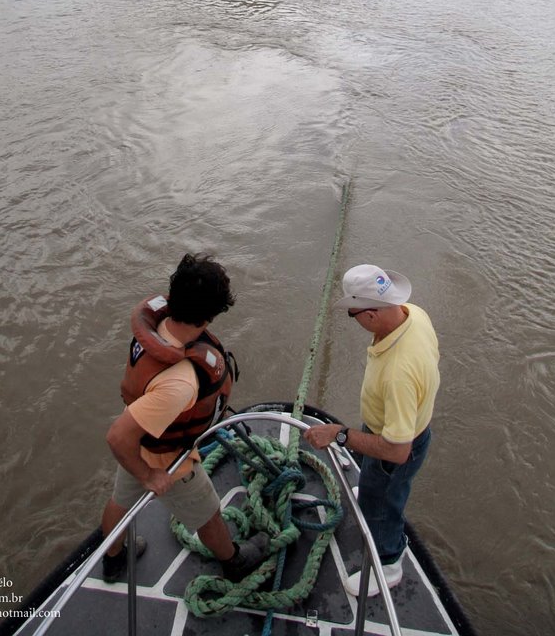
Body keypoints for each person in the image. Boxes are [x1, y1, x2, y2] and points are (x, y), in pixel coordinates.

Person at [100, 253, 270, 584]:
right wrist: (149, 474)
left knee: (120, 502)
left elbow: (128, 436)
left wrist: (138, 466)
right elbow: (117, 438)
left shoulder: (156, 325)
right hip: (167, 457)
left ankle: (114, 558)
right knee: (207, 514)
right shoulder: (181, 382)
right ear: (210, 315)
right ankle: (234, 561)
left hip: (142, 433)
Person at [304, 263, 440, 598]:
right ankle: (371, 494)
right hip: (396, 423)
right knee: (373, 486)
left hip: (396, 445)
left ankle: (389, 564)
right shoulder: (414, 314)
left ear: (372, 315)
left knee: (382, 505)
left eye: (353, 314)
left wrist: (339, 434)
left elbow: (397, 451)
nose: (354, 319)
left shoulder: (399, 373)